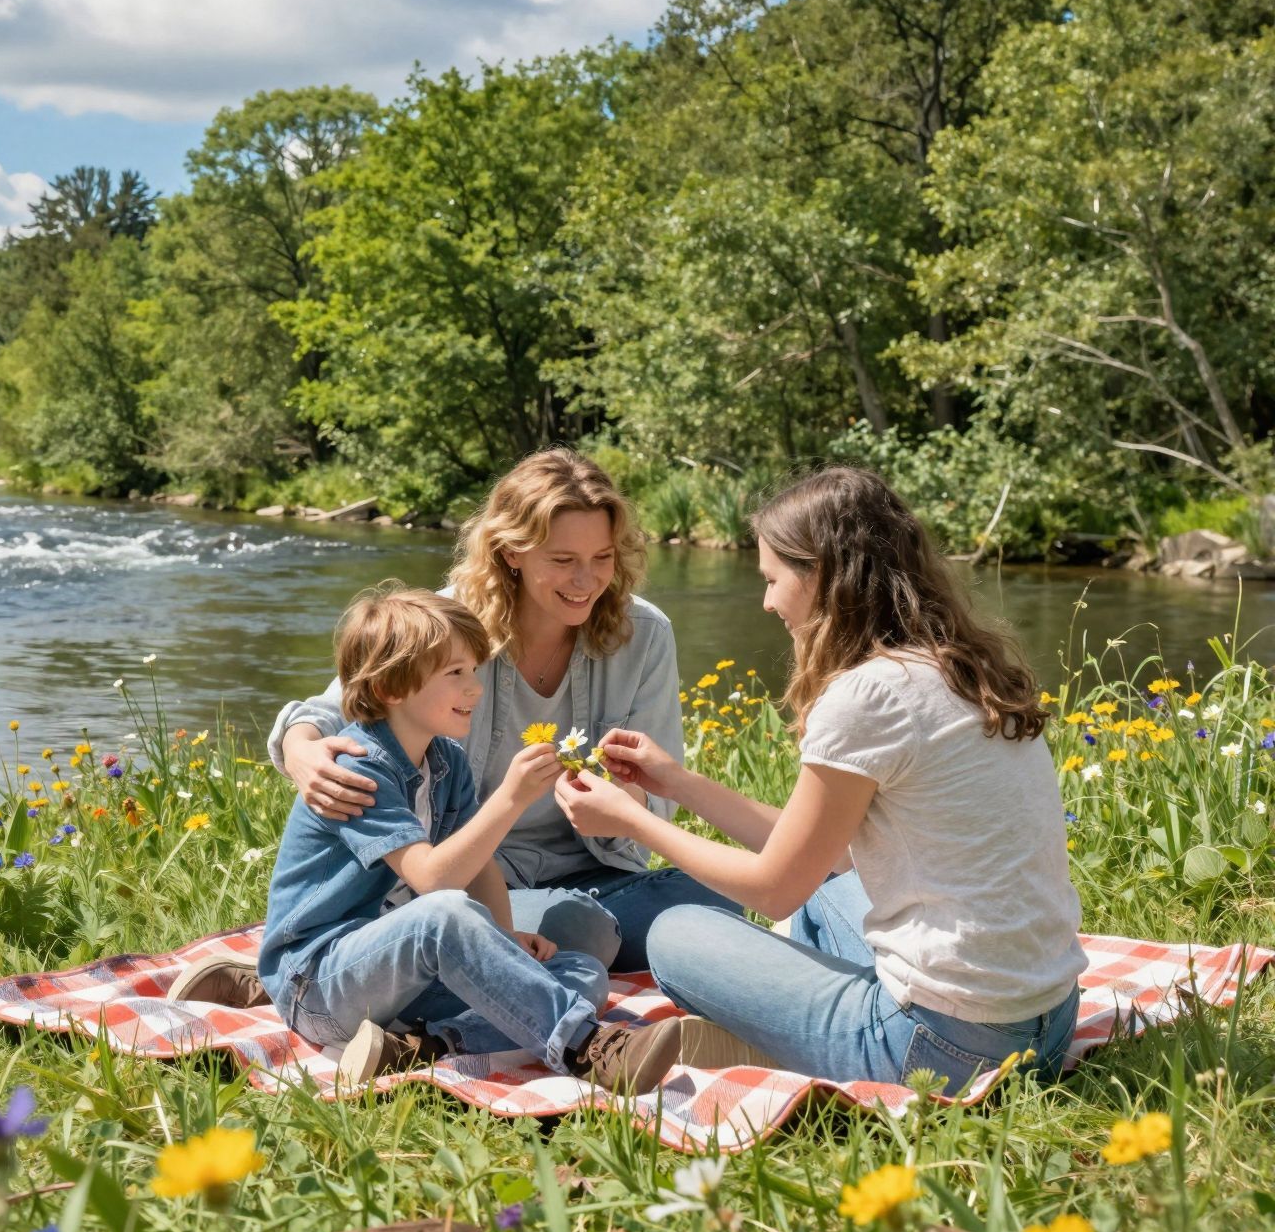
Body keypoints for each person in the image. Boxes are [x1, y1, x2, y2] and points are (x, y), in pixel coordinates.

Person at [554, 466, 1086, 1088]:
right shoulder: (956, 669)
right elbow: (816, 861)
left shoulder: (867, 696)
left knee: (676, 934)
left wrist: (631, 818)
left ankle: (791, 1041)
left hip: (943, 1051)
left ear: (822, 579)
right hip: (1049, 1025)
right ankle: (801, 1026)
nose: (767, 601)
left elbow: (774, 887)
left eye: (773, 579)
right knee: (821, 901)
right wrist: (678, 784)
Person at [180, 584, 751, 1088]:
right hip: (320, 981)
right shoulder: (359, 767)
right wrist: (512, 796)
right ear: (389, 687)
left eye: (474, 670)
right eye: (455, 673)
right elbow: (432, 879)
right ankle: (590, 1047)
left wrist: (504, 939)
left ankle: (428, 1048)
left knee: (580, 971)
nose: (474, 688)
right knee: (447, 914)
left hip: (400, 981)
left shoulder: (446, 762)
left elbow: (480, 867)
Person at [267, 448, 740, 971]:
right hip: (471, 877)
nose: (586, 581)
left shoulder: (645, 635)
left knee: (715, 898)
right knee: (588, 931)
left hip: (598, 875)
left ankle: (528, 945)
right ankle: (517, 945)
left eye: (602, 558)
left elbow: (653, 811)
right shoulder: (447, 624)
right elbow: (333, 709)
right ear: (512, 552)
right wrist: (301, 750)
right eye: (563, 561)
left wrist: (624, 798)